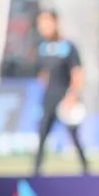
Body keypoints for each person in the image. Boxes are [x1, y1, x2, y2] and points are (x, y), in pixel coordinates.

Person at [31, 9, 90, 175]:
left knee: (74, 137)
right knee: (42, 135)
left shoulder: (68, 47)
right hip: (49, 98)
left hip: (66, 98)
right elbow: (41, 73)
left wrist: (72, 95)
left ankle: (86, 172)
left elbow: (77, 73)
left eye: (47, 22)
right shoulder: (41, 48)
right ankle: (34, 174)